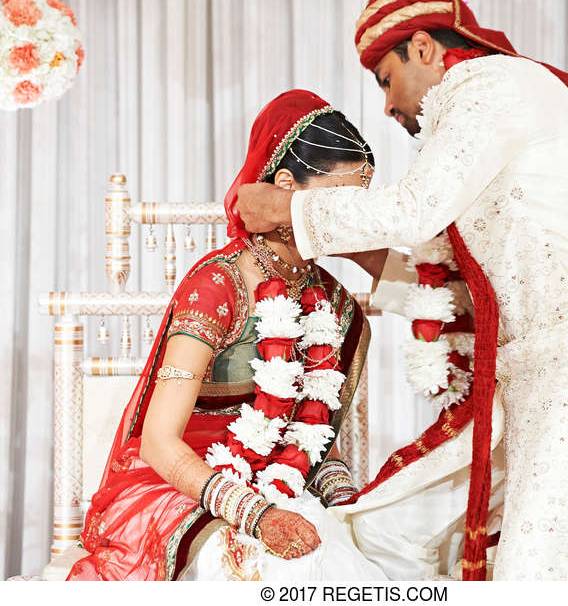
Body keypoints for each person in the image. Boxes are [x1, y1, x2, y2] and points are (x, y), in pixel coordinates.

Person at [234, 0, 568, 580]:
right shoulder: (485, 104)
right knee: (396, 526)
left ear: (423, 47)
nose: (388, 106)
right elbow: (452, 281)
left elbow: (415, 209)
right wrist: (357, 255)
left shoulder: (491, 86)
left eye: (383, 78)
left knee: (547, 568)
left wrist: (287, 212)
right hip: (535, 369)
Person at [60, 89, 387, 581]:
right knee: (286, 572)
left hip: (281, 486)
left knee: (365, 557)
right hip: (178, 489)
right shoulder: (217, 286)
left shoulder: (334, 304)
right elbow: (157, 442)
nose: (349, 218)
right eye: (338, 200)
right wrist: (256, 515)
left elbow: (310, 431)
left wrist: (346, 502)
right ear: (283, 189)